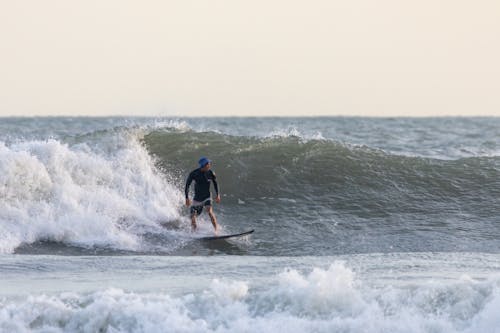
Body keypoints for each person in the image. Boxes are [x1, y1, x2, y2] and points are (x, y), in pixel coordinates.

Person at [185, 157, 221, 234]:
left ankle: (216, 231)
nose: (210, 165)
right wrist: (187, 198)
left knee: (209, 211)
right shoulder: (194, 173)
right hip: (197, 198)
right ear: (204, 165)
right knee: (192, 216)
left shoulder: (211, 173)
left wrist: (218, 195)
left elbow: (215, 183)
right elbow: (187, 185)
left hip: (207, 196)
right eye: (208, 164)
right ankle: (194, 233)